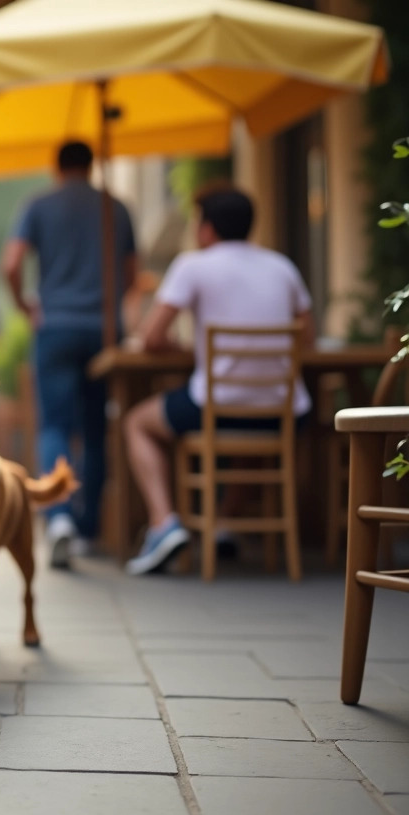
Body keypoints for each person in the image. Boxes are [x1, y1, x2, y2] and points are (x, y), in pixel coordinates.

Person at [122, 187, 313, 575]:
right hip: (284, 413)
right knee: (245, 429)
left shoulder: (193, 265)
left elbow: (151, 337)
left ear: (207, 228)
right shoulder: (282, 266)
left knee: (137, 423)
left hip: (215, 407)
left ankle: (164, 524)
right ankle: (224, 525)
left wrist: (187, 349)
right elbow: (306, 339)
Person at [2, 140, 137, 569]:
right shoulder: (116, 208)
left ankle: (57, 517)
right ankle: (88, 528)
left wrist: (27, 306)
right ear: (91, 164)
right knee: (96, 428)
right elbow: (132, 274)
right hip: (104, 330)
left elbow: (11, 264)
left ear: (57, 167)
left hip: (55, 326)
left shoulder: (38, 205)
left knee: (55, 426)